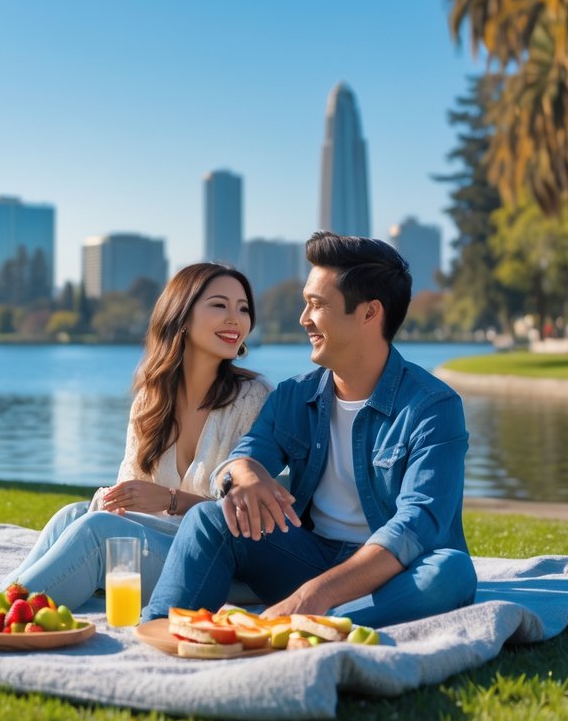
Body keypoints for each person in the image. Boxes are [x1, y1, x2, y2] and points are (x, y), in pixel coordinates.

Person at [143, 232, 476, 629]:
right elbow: (240, 459)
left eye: (316, 305)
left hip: (391, 572)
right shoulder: (294, 395)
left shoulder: (433, 407)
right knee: (208, 519)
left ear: (370, 313)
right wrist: (246, 475)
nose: (303, 319)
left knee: (451, 572)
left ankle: (306, 621)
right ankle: (161, 628)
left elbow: (417, 526)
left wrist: (312, 596)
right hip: (306, 558)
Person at [0, 263, 273, 609]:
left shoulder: (254, 397)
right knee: (72, 515)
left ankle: (4, 616)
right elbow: (129, 499)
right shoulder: (152, 398)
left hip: (217, 563)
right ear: (182, 317)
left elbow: (249, 519)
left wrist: (170, 499)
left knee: (98, 535)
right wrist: (115, 502)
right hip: (156, 544)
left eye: (243, 308)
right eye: (220, 305)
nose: (236, 319)